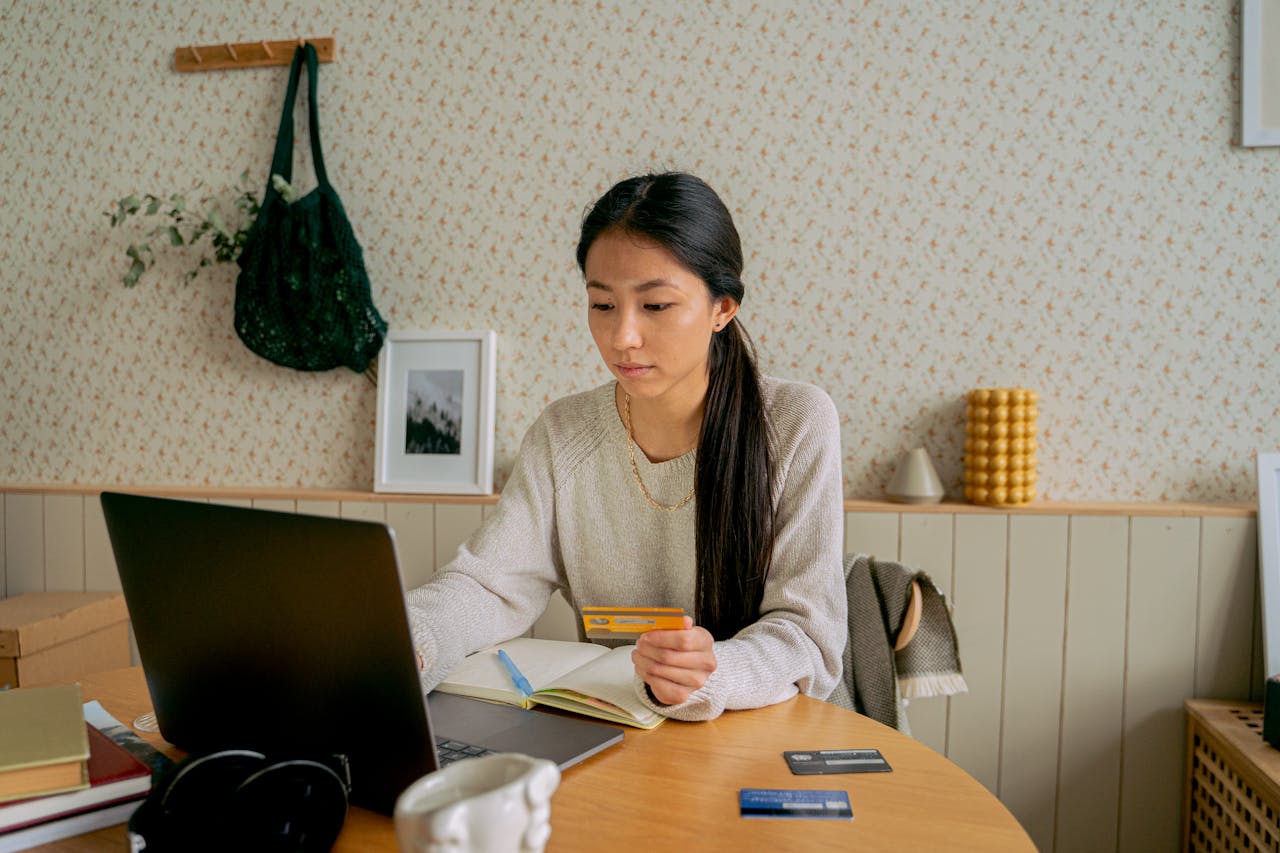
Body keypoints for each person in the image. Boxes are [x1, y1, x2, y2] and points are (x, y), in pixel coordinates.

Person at [406, 172, 846, 721]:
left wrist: (712, 674)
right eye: (603, 305)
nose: (622, 338)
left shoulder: (796, 422)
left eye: (656, 306)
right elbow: (491, 587)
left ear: (723, 308)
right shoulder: (563, 431)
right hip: (620, 734)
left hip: (763, 734)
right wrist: (408, 638)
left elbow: (807, 635)